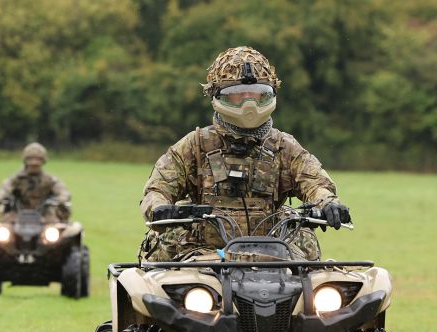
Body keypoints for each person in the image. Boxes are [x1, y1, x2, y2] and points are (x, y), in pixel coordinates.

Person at [140, 46, 351, 261]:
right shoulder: (195, 145)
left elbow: (315, 183)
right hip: (204, 257)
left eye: (259, 95)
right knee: (164, 256)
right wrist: (160, 209)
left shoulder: (284, 146)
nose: (249, 104)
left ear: (271, 95)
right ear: (217, 96)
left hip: (273, 256)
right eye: (238, 95)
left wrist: (327, 203)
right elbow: (157, 189)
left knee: (311, 262)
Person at [0, 142, 71, 222]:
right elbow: (4, 187)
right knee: (2, 226)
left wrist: (62, 198)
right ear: (25, 161)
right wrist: (0, 197)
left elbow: (62, 190)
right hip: (17, 213)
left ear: (43, 161)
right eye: (30, 159)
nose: (34, 162)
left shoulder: (49, 179)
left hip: (44, 214)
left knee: (57, 226)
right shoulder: (17, 179)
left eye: (38, 159)